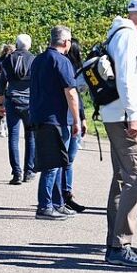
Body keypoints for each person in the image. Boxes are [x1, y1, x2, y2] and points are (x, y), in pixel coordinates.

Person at [102, 0, 137, 269]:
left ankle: (115, 243)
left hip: (118, 114)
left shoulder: (120, 34)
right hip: (125, 116)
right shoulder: (126, 37)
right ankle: (120, 244)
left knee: (123, 180)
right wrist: (134, 115)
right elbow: (125, 77)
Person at [29, 26, 81, 220]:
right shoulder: (62, 61)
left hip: (39, 115)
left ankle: (57, 203)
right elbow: (71, 92)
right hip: (56, 119)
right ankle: (45, 205)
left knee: (58, 162)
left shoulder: (38, 60)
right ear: (66, 42)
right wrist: (76, 119)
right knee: (52, 164)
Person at [0, 36, 35, 185]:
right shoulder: (34, 60)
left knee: (13, 137)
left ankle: (17, 173)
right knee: (30, 136)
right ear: (29, 46)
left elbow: (1, 85)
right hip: (29, 101)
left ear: (17, 45)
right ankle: (29, 171)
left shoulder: (8, 59)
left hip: (12, 100)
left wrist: (0, 105)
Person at [62, 38, 88, 213]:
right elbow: (75, 96)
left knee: (68, 159)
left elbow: (78, 97)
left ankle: (66, 194)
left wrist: (83, 117)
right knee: (67, 159)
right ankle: (64, 195)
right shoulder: (67, 70)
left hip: (74, 117)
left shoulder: (76, 71)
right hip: (68, 118)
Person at [0, 43, 14, 136]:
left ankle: (7, 128)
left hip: (11, 87)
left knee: (10, 108)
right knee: (1, 107)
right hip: (0, 87)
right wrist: (2, 75)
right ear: (7, 51)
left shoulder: (14, 61)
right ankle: (2, 128)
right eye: (12, 51)